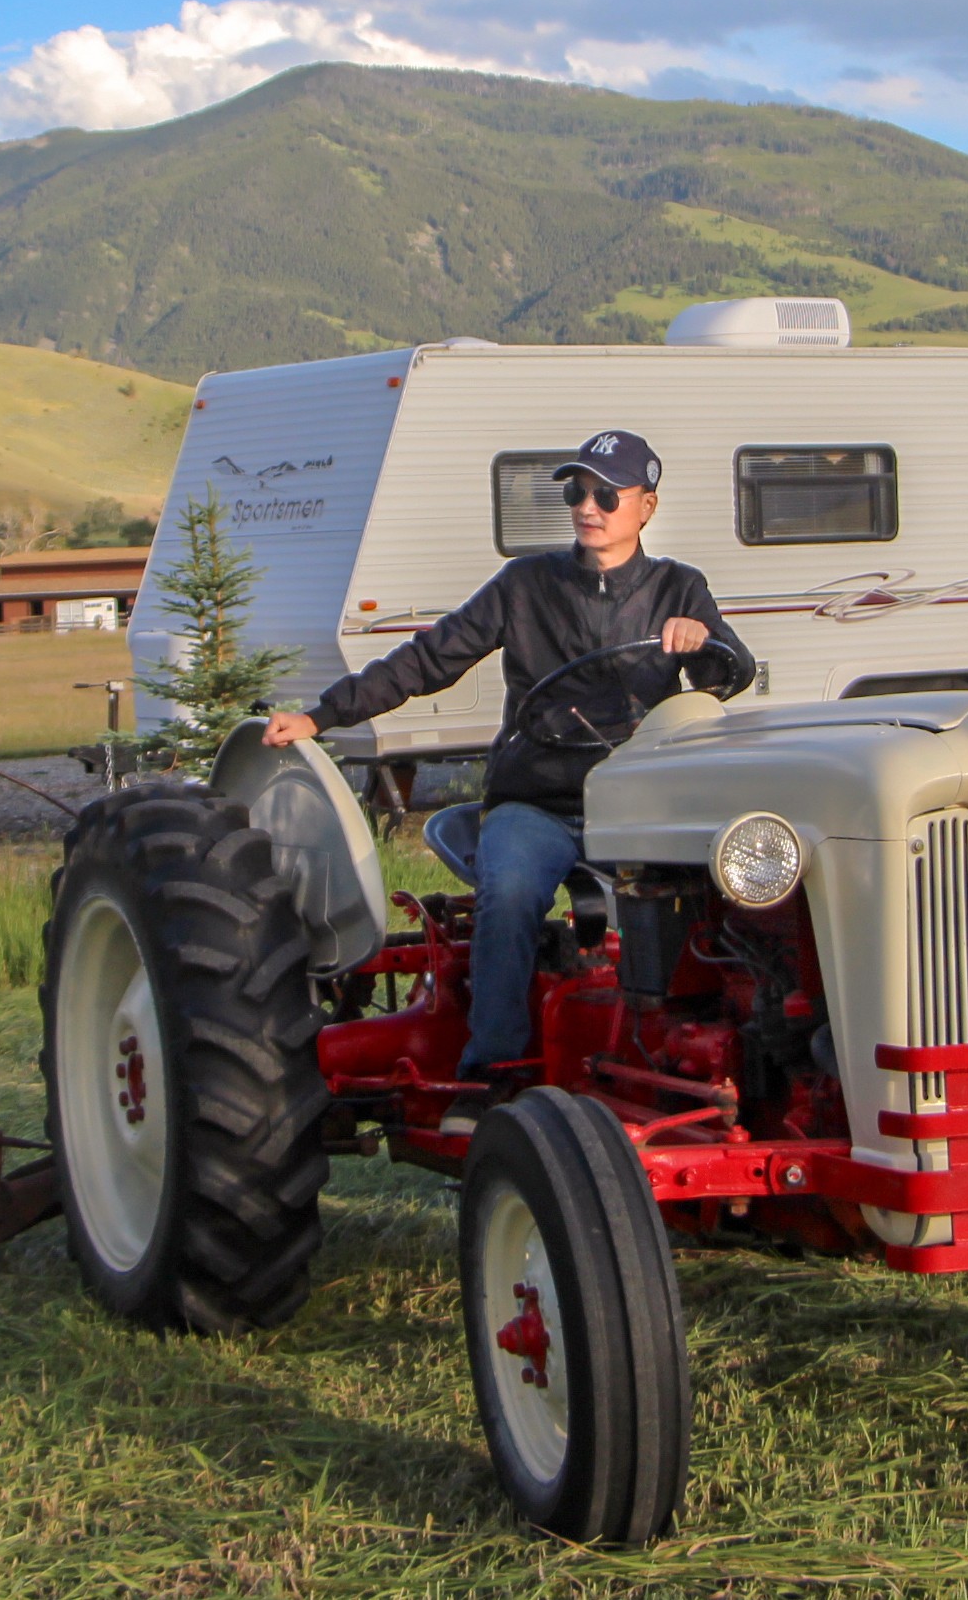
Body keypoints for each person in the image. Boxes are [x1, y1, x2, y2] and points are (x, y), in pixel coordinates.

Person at [263, 430, 754, 1122]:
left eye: (606, 493)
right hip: (538, 799)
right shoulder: (526, 585)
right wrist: (322, 716)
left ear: (645, 506)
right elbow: (429, 658)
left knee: (718, 900)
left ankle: (687, 1063)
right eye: (576, 491)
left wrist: (704, 642)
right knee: (512, 893)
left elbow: (731, 672)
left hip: (636, 806)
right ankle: (491, 1071)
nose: (588, 506)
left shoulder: (680, 588)